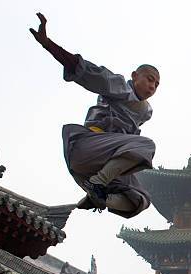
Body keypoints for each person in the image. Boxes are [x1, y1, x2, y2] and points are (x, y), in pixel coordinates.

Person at [30, 12, 160, 218]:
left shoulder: (144, 112)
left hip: (100, 165)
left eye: (156, 84)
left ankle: (98, 197)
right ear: (134, 76)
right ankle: (98, 183)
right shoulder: (117, 87)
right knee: (146, 146)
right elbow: (84, 70)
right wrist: (48, 44)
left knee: (141, 199)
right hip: (88, 146)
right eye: (150, 79)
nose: (152, 86)